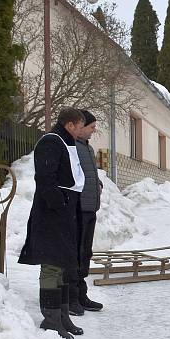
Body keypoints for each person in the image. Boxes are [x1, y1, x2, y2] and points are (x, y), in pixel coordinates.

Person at [18, 107, 86, 339]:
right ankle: (51, 318)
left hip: (66, 212)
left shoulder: (66, 142)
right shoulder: (51, 142)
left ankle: (63, 315)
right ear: (70, 125)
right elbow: (45, 178)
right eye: (80, 125)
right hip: (51, 214)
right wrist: (61, 202)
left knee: (65, 263)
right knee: (52, 265)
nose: (82, 130)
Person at [68, 109, 104, 315]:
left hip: (90, 208)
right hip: (78, 209)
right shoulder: (72, 147)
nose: (93, 131)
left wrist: (96, 182)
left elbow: (87, 173)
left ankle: (82, 294)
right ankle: (72, 297)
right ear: (80, 127)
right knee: (76, 253)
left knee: (86, 252)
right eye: (91, 127)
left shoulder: (86, 148)